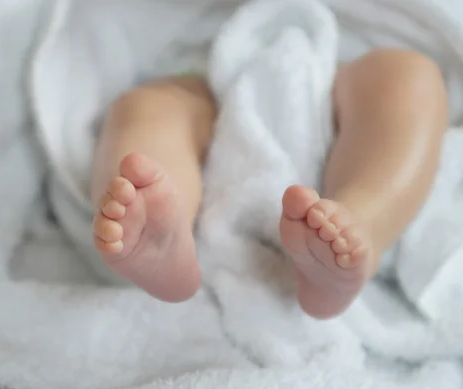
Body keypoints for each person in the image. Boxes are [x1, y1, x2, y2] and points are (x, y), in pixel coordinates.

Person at [90, 48, 448, 320]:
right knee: (144, 109)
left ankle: (362, 221)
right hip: (210, 70)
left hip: (348, 61)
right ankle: (163, 233)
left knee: (411, 79)